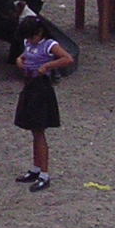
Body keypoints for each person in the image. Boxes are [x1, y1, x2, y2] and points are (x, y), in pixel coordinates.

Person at [13, 15, 73, 191]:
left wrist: (47, 66)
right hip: (30, 85)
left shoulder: (50, 45)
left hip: (41, 88)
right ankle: (36, 168)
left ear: (39, 32)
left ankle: (44, 173)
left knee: (39, 131)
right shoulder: (29, 43)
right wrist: (19, 60)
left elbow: (67, 58)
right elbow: (24, 55)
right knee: (33, 130)